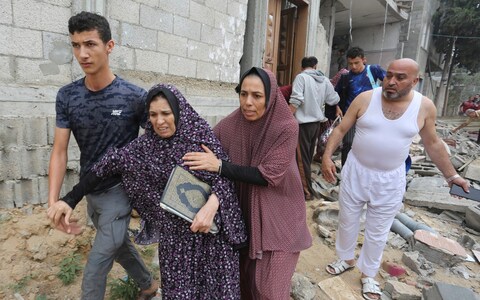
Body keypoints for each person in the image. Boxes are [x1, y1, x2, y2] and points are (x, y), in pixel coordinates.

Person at [48, 84, 248, 299]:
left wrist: (211, 205)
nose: (159, 121)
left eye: (166, 113)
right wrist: (70, 199)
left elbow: (225, 177)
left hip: (211, 238)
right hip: (176, 243)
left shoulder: (199, 137)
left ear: (179, 111)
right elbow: (105, 165)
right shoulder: (143, 148)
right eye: (153, 114)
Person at [321, 58, 470, 300]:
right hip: (356, 171)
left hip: (390, 179)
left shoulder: (424, 107)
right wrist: (327, 157)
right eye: (389, 75)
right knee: (348, 220)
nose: (391, 81)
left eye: (400, 77)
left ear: (415, 80)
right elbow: (340, 129)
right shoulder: (365, 99)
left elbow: (433, 144)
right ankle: (346, 258)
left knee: (378, 230)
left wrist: (452, 175)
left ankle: (368, 274)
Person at [46, 11, 157, 299]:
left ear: (109, 46)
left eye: (90, 44)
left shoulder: (134, 97)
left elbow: (159, 142)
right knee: (119, 246)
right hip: (88, 190)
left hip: (120, 193)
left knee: (96, 267)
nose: (82, 53)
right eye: (76, 45)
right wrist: (53, 202)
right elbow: (59, 152)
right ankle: (149, 285)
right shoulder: (67, 96)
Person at [182, 67, 312, 299]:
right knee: (245, 286)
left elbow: (267, 176)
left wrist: (220, 165)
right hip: (244, 215)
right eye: (243, 94)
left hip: (279, 217)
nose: (248, 102)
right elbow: (202, 148)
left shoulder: (286, 127)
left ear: (270, 97)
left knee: (270, 290)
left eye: (257, 96)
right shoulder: (230, 124)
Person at [289, 56, 340, 200]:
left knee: (301, 159)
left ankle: (306, 192)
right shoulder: (324, 80)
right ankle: (303, 187)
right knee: (307, 158)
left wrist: (285, 118)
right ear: (315, 66)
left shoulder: (301, 78)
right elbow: (334, 99)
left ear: (302, 67)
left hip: (303, 125)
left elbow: (296, 100)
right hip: (316, 125)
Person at [335, 47, 386, 166]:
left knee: (369, 143)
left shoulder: (373, 70)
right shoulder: (345, 77)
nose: (353, 66)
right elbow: (335, 94)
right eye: (350, 64)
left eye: (356, 63)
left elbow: (390, 82)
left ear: (364, 60)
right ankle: (346, 170)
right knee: (348, 143)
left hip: (372, 114)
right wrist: (337, 107)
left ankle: (367, 168)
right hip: (350, 115)